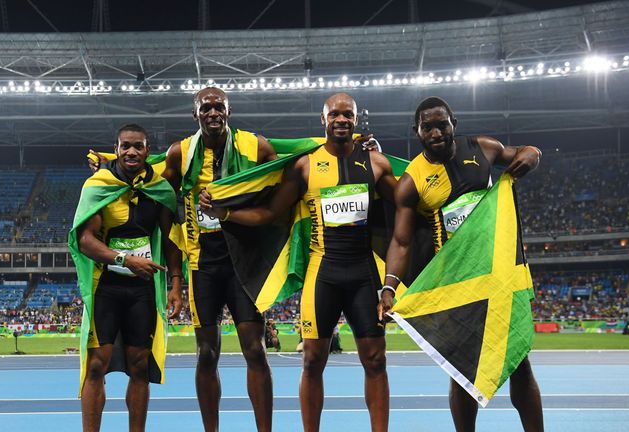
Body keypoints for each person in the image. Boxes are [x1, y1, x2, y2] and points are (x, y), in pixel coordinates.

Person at [200, 92, 397, 432]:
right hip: (324, 274)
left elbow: (407, 208)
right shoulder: (305, 165)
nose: (341, 120)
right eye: (334, 114)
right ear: (323, 120)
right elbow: (270, 213)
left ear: (355, 120)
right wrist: (227, 212)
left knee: (376, 360)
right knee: (312, 361)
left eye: (347, 114)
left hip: (364, 275)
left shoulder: (377, 164)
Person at [91, 87, 278, 432]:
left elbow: (290, 167)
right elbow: (150, 181)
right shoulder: (182, 152)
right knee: (206, 354)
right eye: (205, 107)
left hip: (243, 264)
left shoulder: (256, 146)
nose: (212, 112)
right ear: (195, 114)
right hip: (203, 265)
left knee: (255, 350)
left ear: (229, 110)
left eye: (218, 106)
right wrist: (111, 165)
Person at [379, 96, 544, 432]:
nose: (436, 131)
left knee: (519, 361)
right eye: (428, 126)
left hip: (498, 273)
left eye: (442, 124)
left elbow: (526, 151)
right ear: (417, 131)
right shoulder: (413, 180)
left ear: (454, 122)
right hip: (456, 283)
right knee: (461, 369)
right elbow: (402, 240)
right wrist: (388, 286)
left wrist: (531, 156)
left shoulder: (483, 148)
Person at [76, 123, 183, 432]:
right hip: (106, 288)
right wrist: (125, 259)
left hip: (142, 290)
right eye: (126, 146)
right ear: (118, 148)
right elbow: (85, 240)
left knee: (139, 366)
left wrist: (176, 284)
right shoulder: (99, 185)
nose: (132, 151)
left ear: (148, 151)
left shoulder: (159, 188)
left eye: (138, 146)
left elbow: (172, 238)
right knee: (97, 365)